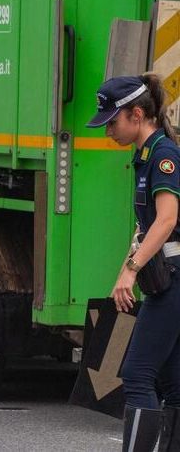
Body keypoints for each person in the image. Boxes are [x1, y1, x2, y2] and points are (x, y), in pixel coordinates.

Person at [86, 74, 180, 451]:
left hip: (173, 280)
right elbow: (145, 227)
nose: (108, 130)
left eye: (112, 121)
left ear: (137, 115)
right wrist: (123, 272)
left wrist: (132, 269)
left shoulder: (164, 156)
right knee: (173, 383)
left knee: (137, 374)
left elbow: (167, 219)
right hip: (168, 280)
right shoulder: (146, 155)